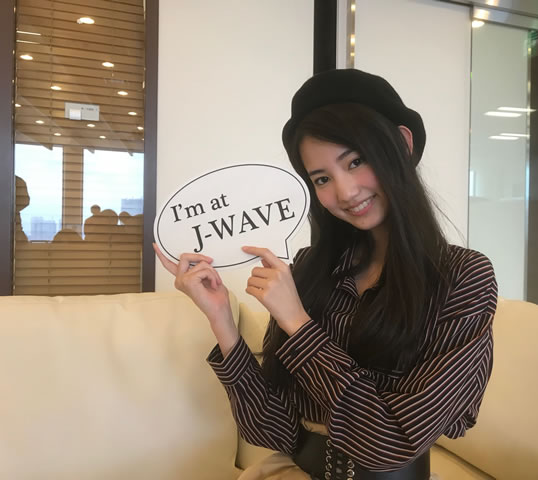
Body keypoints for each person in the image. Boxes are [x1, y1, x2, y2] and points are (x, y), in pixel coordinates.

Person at [154, 69, 497, 480]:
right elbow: (272, 430)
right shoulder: (311, 269)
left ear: (402, 145)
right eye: (322, 178)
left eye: (356, 161)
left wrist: (299, 325)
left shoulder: (463, 277)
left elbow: (391, 442)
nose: (346, 192)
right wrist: (222, 320)